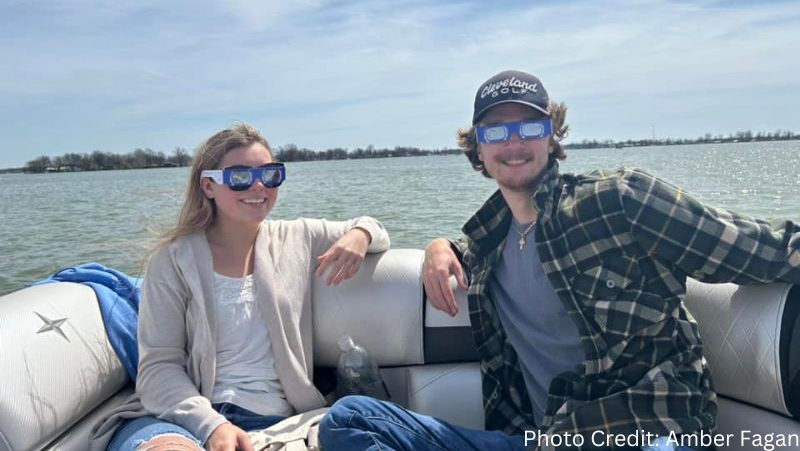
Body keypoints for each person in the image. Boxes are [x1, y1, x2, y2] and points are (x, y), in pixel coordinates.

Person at [319, 70, 800, 450]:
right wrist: (436, 246)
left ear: (552, 136)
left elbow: (761, 249)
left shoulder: (619, 199)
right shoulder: (486, 243)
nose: (514, 143)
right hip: (544, 439)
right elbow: (476, 246)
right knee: (350, 419)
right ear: (478, 147)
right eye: (496, 130)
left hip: (643, 430)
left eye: (530, 126)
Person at [89, 123, 389, 451]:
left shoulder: (299, 236)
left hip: (275, 420)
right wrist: (212, 426)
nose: (259, 186)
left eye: (271, 174)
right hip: (184, 416)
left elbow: (374, 227)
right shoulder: (173, 259)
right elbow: (159, 367)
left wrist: (360, 235)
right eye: (240, 176)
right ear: (208, 186)